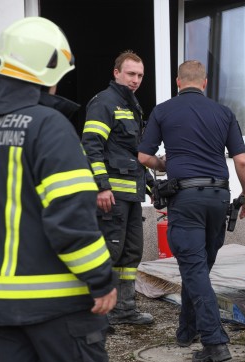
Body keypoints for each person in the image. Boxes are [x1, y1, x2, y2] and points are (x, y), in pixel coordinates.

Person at [0, 17, 121, 362]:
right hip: (61, 301)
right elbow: (70, 218)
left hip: (3, 306)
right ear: (50, 71)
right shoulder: (48, 126)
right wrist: (101, 280)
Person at [137, 60, 245, 362]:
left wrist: (164, 164)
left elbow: (144, 156)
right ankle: (187, 331)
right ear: (204, 83)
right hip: (219, 199)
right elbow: (241, 161)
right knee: (198, 268)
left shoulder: (163, 110)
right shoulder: (224, 113)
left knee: (194, 268)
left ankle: (215, 342)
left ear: (178, 82)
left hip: (186, 199)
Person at [82, 50, 154, 325]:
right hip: (111, 194)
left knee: (130, 252)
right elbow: (91, 145)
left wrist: (149, 184)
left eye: (140, 75)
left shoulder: (132, 104)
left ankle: (124, 310)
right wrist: (101, 187)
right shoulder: (105, 102)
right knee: (109, 252)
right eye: (130, 74)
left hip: (130, 193)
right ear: (116, 73)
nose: (135, 80)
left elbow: (132, 152)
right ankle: (98, 313)